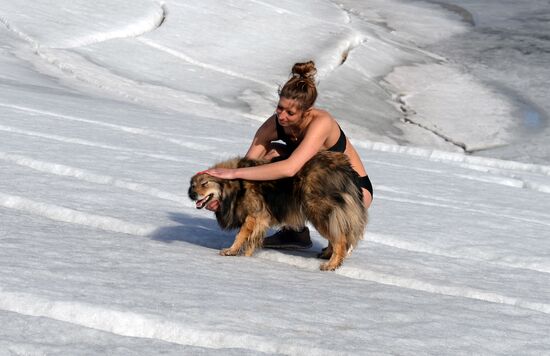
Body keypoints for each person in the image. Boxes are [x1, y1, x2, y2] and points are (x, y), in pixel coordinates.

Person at [204, 60, 373, 249]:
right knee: (268, 156)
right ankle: (295, 232)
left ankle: (343, 235)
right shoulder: (274, 124)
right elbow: (247, 165)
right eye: (279, 108)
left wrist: (234, 174)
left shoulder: (322, 122)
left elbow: (290, 168)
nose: (282, 116)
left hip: (351, 190)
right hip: (314, 182)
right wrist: (223, 196)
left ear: (306, 112)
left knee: (287, 168)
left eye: (290, 112)